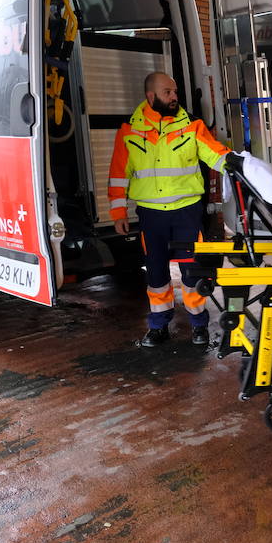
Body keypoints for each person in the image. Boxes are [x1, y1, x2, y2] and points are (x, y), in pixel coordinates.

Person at [108, 72, 230, 347]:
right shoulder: (128, 131)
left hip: (186, 212)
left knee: (192, 272)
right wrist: (118, 213)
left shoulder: (192, 126)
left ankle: (199, 325)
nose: (175, 97)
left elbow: (214, 153)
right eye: (168, 93)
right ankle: (158, 326)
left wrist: (235, 164)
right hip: (151, 215)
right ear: (150, 97)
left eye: (175, 92)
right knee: (156, 273)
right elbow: (118, 174)